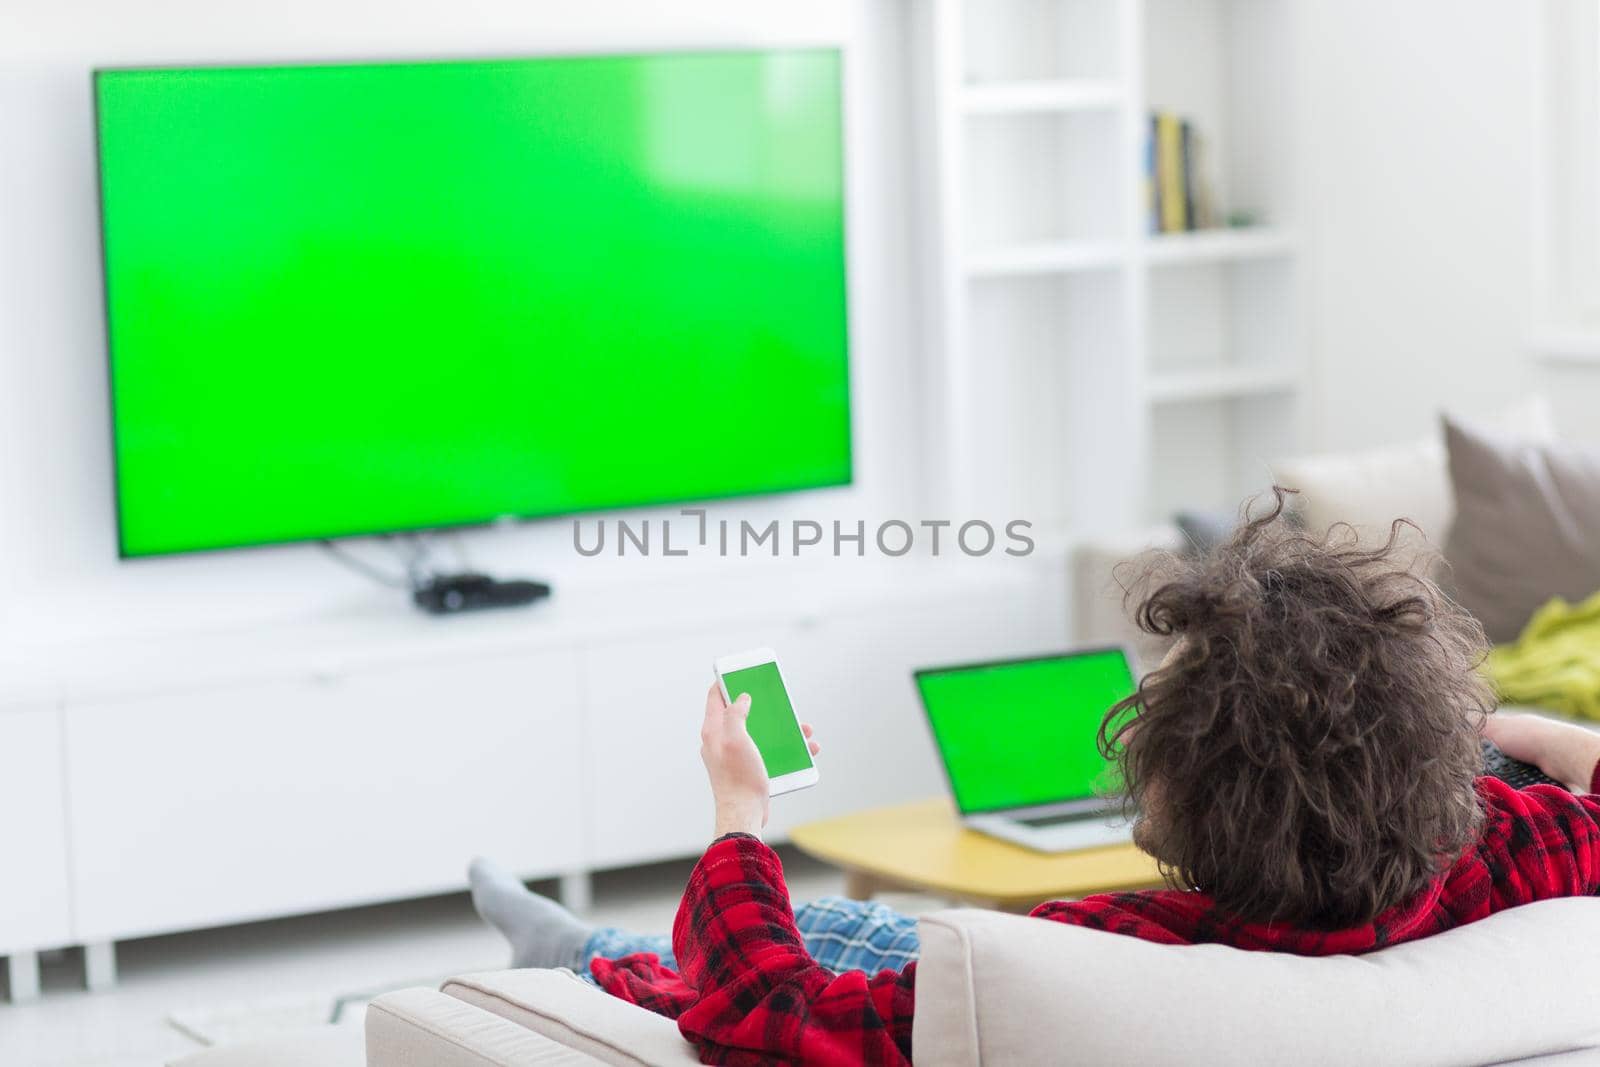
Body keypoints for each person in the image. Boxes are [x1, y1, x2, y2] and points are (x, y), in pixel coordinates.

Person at [470, 490, 1600, 1065]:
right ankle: (585, 944)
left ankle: (583, 954)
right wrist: (1528, 732)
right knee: (849, 922)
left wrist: (739, 815)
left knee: (821, 938)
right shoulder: (1520, 846)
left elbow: (761, 1010)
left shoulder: (1084, 957)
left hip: (948, 974)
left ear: (1168, 797)